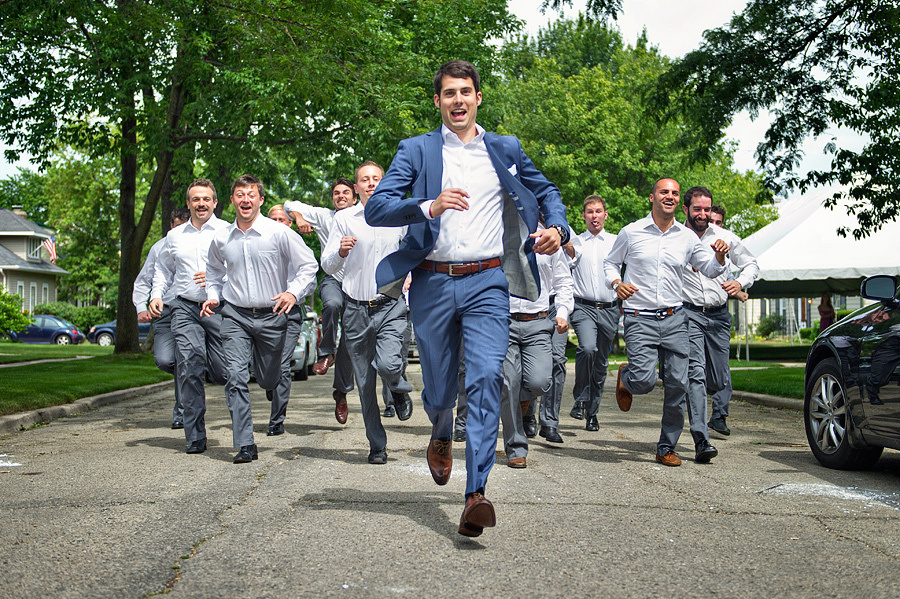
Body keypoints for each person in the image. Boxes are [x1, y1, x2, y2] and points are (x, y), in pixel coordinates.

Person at [365, 60, 570, 537]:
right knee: (439, 387)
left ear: (479, 98)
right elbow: (376, 207)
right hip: (433, 282)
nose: (458, 100)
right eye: (449, 93)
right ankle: (440, 431)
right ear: (437, 102)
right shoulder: (416, 150)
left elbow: (547, 192)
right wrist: (426, 206)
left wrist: (557, 228)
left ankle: (475, 492)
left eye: (466, 92)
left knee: (484, 378)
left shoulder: (505, 148)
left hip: (488, 281)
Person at [604, 178, 729, 467]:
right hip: (639, 318)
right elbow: (610, 263)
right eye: (664, 192)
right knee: (645, 381)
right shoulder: (631, 232)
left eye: (674, 193)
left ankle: (665, 447)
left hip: (675, 319)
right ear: (652, 197)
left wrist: (720, 257)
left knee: (678, 384)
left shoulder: (687, 238)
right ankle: (627, 378)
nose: (670, 196)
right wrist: (616, 283)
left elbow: (709, 268)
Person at [202, 174, 317, 463]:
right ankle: (244, 443)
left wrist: (292, 292)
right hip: (235, 315)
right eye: (240, 195)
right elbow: (214, 272)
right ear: (231, 201)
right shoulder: (222, 237)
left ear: (260, 200)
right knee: (236, 377)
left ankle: (270, 379)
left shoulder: (279, 233)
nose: (245, 200)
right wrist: (213, 295)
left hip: (273, 316)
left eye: (251, 195)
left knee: (268, 379)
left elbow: (308, 266)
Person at [320, 161, 414, 464]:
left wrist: (410, 271)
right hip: (356, 310)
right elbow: (328, 265)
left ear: (384, 182)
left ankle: (398, 387)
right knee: (364, 385)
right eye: (365, 179)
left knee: (388, 363)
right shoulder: (345, 219)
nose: (371, 183)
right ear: (357, 186)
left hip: (389, 305)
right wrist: (341, 252)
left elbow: (417, 249)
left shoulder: (399, 214)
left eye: (376, 178)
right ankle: (377, 445)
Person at [150, 179, 229, 455]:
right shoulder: (175, 236)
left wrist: (218, 278)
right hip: (184, 308)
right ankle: (194, 435)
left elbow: (240, 268)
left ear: (215, 202)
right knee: (188, 364)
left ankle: (204, 365)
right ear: (188, 203)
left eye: (206, 199)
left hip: (218, 308)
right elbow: (162, 270)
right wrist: (156, 295)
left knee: (223, 372)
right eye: (196, 199)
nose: (201, 204)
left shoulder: (227, 231)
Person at [681, 187, 758, 440]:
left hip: (719, 316)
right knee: (696, 374)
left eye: (706, 209)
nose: (702, 214)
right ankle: (700, 434)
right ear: (686, 210)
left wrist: (740, 283)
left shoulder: (725, 237)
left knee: (718, 378)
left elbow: (751, 264)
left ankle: (711, 407)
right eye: (697, 209)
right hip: (689, 313)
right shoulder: (676, 237)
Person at [283, 179, 357, 424]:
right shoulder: (324, 216)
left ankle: (341, 392)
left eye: (346, 192)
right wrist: (299, 218)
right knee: (332, 304)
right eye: (336, 193)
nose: (340, 196)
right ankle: (327, 353)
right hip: (334, 279)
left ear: (354, 196)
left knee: (350, 340)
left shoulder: (365, 215)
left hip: (359, 285)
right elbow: (288, 205)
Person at [501, 225, 573, 464]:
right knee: (507, 383)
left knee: (540, 382)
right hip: (504, 321)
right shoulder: (497, 232)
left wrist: (562, 312)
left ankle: (524, 397)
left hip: (538, 321)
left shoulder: (549, 239)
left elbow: (563, 282)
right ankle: (516, 448)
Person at [133, 207, 190, 429]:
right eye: (177, 226)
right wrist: (141, 307)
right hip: (165, 310)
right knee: (166, 360)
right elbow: (143, 281)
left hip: (191, 309)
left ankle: (182, 412)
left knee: (186, 359)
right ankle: (190, 383)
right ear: (170, 226)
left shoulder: (202, 245)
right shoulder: (159, 248)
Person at [567, 195, 619, 432]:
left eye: (598, 211)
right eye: (590, 212)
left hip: (609, 308)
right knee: (587, 348)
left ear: (605, 214)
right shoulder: (576, 243)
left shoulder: (617, 242)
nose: (594, 216)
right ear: (584, 216)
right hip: (584, 307)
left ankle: (592, 413)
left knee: (600, 363)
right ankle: (580, 397)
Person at [264, 203, 305, 436]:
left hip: (289, 313)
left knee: (282, 365)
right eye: (274, 220)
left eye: (282, 220)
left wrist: (293, 293)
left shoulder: (295, 245)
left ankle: (276, 420)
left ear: (289, 224)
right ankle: (270, 381)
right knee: (268, 369)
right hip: (262, 314)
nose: (278, 224)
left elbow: (309, 276)